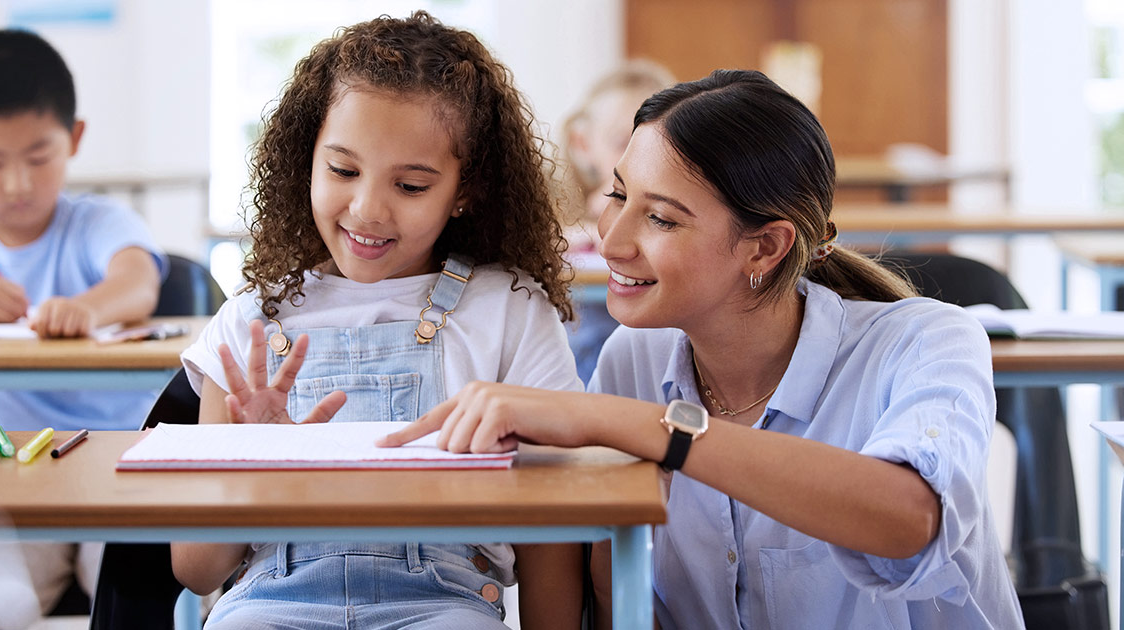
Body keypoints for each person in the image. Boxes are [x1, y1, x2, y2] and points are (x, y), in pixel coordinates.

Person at [382, 69, 1027, 629]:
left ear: (766, 247)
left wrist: (639, 428)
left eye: (661, 218)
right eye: (618, 195)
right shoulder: (633, 364)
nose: (611, 242)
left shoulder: (928, 341)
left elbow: (907, 520)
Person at [172, 12, 583, 629]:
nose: (367, 209)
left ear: (464, 188)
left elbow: (555, 526)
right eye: (342, 171)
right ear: (304, 159)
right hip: (272, 605)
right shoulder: (252, 320)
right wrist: (248, 462)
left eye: (412, 185)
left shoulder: (511, 311)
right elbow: (197, 570)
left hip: (444, 604)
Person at [0, 29, 166, 630]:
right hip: (1, 475)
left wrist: (88, 307)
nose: (18, 184)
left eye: (38, 157)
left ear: (74, 139)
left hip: (118, 466)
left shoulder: (97, 221)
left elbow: (138, 280)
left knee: (134, 600)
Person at [561, 60, 675, 384]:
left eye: (659, 145)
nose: (640, 158)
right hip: (579, 372)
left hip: (652, 367)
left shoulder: (678, 213)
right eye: (622, 142)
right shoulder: (567, 209)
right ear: (584, 145)